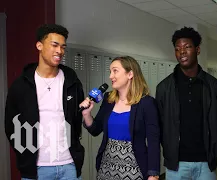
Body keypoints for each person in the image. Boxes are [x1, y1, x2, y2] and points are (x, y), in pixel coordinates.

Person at [5, 24, 85, 179]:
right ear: (39, 45)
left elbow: (76, 120)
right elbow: (10, 125)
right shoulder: (21, 84)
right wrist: (25, 155)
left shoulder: (72, 81)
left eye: (63, 47)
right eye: (54, 45)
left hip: (69, 165)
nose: (59, 51)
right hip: (37, 169)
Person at [155, 26, 217, 180]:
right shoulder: (163, 88)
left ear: (197, 50)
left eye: (187, 47)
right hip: (176, 164)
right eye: (177, 48)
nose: (182, 52)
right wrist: (169, 151)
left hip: (206, 163)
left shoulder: (214, 86)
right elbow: (160, 124)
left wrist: (213, 150)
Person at [80, 56, 160, 180]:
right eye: (110, 71)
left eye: (115, 71)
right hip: (106, 166)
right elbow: (95, 130)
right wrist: (86, 114)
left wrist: (153, 173)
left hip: (134, 167)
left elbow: (153, 140)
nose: (110, 76)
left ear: (130, 74)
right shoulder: (108, 99)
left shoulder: (146, 103)